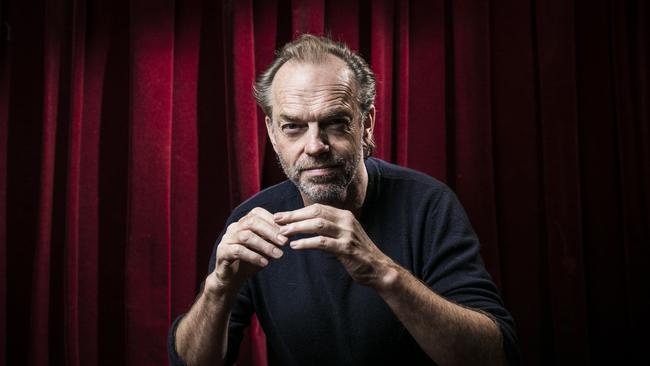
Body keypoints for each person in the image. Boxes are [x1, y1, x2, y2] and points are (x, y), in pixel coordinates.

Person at [168, 34, 519, 366]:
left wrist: (381, 271)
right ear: (273, 134)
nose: (315, 146)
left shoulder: (428, 206)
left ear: (366, 125)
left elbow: (494, 356)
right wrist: (219, 288)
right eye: (293, 127)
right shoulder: (252, 222)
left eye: (335, 123)